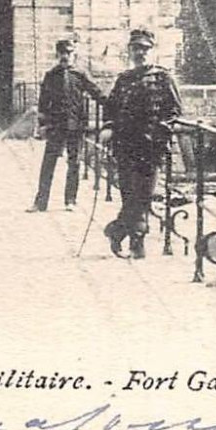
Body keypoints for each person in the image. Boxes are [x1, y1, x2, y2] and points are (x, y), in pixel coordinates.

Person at [101, 28, 183, 259]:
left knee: (144, 195)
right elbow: (111, 109)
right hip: (125, 146)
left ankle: (120, 233)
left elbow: (175, 111)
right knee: (129, 194)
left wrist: (163, 130)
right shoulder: (124, 79)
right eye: (136, 48)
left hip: (151, 148)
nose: (141, 53)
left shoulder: (163, 77)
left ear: (152, 51)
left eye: (145, 49)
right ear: (130, 51)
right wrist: (108, 127)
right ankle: (133, 242)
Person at [28, 38, 104, 213]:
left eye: (69, 53)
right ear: (57, 54)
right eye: (63, 53)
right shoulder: (51, 76)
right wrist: (42, 125)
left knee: (74, 163)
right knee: (48, 164)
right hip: (55, 126)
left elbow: (96, 92)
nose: (66, 57)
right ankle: (40, 202)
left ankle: (70, 200)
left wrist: (113, 105)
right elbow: (43, 104)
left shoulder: (80, 75)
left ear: (74, 55)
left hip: (75, 126)